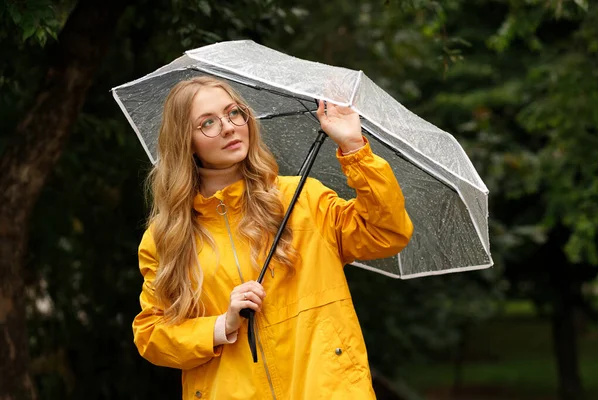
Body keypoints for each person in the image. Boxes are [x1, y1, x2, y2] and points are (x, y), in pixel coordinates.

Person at [133, 76, 413, 400]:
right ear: (186, 142)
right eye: (207, 123)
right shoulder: (167, 237)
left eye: (233, 113)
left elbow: (387, 233)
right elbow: (151, 334)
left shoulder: (302, 200)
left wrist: (354, 148)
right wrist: (222, 325)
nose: (227, 127)